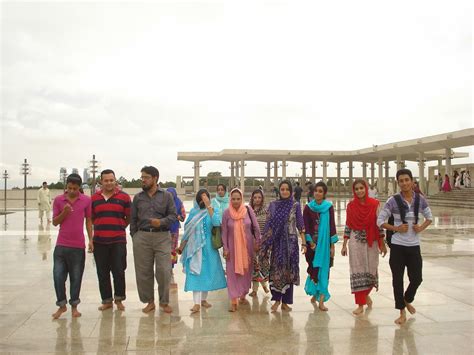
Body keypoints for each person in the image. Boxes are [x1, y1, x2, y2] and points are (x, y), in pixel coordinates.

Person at [377, 168, 433, 325]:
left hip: (414, 245)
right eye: (401, 181)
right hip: (398, 246)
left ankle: (407, 298)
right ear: (398, 183)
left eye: (406, 180)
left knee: (417, 278)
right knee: (397, 279)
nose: (404, 183)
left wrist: (420, 228)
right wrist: (396, 228)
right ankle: (401, 311)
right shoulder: (392, 200)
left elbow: (429, 217)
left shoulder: (420, 199)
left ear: (412, 181)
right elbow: (380, 221)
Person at [130, 166, 177, 314]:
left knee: (164, 270)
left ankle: (164, 302)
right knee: (143, 272)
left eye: (146, 177)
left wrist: (161, 222)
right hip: (142, 237)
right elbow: (133, 219)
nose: (143, 180)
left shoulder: (167, 196)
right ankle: (149, 301)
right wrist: (135, 236)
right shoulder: (138, 197)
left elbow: (173, 216)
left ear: (155, 178)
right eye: (142, 177)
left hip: (162, 237)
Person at [177, 189, 226, 314]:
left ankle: (203, 300)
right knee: (196, 273)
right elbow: (187, 230)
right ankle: (196, 303)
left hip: (209, 249)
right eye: (201, 198)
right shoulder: (193, 212)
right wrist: (182, 246)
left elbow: (216, 223)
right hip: (195, 250)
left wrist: (209, 205)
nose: (203, 200)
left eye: (206, 197)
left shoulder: (211, 211)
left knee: (207, 274)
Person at [341, 179, 387, 315]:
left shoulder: (375, 204)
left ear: (366, 189)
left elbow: (379, 225)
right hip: (355, 242)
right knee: (357, 270)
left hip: (371, 241)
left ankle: (366, 295)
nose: (359, 191)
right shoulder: (351, 206)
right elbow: (348, 225)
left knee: (371, 269)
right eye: (357, 189)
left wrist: (382, 243)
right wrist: (344, 244)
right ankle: (360, 304)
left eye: (362, 188)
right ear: (354, 191)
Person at [51, 173, 92, 319]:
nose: (72, 191)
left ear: (79, 187)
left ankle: (74, 306)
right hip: (61, 245)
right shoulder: (58, 200)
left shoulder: (86, 200)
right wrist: (65, 212)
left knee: (76, 277)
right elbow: (55, 222)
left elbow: (88, 221)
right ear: (66, 187)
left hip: (78, 246)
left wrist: (91, 240)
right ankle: (62, 305)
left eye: (75, 188)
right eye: (69, 188)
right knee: (58, 276)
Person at [260, 180, 305, 312]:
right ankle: (276, 300)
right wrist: (264, 242)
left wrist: (304, 242)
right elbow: (268, 224)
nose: (284, 191)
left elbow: (300, 224)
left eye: (287, 189)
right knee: (276, 271)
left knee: (288, 273)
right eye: (282, 189)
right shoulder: (273, 205)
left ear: (291, 191)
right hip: (277, 243)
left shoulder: (295, 205)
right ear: (279, 191)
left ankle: (286, 302)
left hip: (291, 245)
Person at [91, 169, 131, 311]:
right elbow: (92, 218)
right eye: (106, 180)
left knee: (119, 271)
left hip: (118, 240)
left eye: (111, 180)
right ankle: (106, 300)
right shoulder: (94, 198)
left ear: (115, 181)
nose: (109, 183)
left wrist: (119, 227)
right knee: (102, 272)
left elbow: (129, 217)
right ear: (101, 182)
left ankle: (119, 299)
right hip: (99, 241)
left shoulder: (124, 198)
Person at [222, 188, 261, 312]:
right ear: (230, 199)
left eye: (238, 199)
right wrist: (225, 248)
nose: (236, 201)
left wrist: (258, 242)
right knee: (232, 274)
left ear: (242, 199)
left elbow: (256, 227)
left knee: (245, 272)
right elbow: (224, 232)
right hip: (232, 250)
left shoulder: (248, 210)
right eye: (233, 199)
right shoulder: (227, 213)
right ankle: (234, 300)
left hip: (247, 248)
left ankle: (243, 293)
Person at [303, 181, 339, 311]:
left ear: (324, 194)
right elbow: (305, 227)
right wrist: (310, 243)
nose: (317, 193)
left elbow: (332, 226)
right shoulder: (308, 208)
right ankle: (314, 294)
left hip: (324, 246)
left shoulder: (328, 207)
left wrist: (332, 246)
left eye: (320, 191)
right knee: (314, 271)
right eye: (316, 191)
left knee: (325, 271)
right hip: (312, 246)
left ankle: (321, 301)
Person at [248, 189, 270, 297]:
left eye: (259, 197)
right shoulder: (248, 211)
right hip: (251, 244)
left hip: (264, 244)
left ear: (262, 199)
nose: (257, 200)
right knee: (254, 267)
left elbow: (269, 228)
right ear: (252, 198)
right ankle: (255, 290)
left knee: (263, 266)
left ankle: (265, 285)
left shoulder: (267, 211)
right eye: (255, 197)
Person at [167, 187, 186, 287]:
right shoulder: (163, 202)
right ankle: (167, 268)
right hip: (164, 230)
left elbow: (183, 216)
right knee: (164, 250)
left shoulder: (178, 202)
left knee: (172, 250)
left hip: (174, 230)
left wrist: (178, 217)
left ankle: (171, 267)